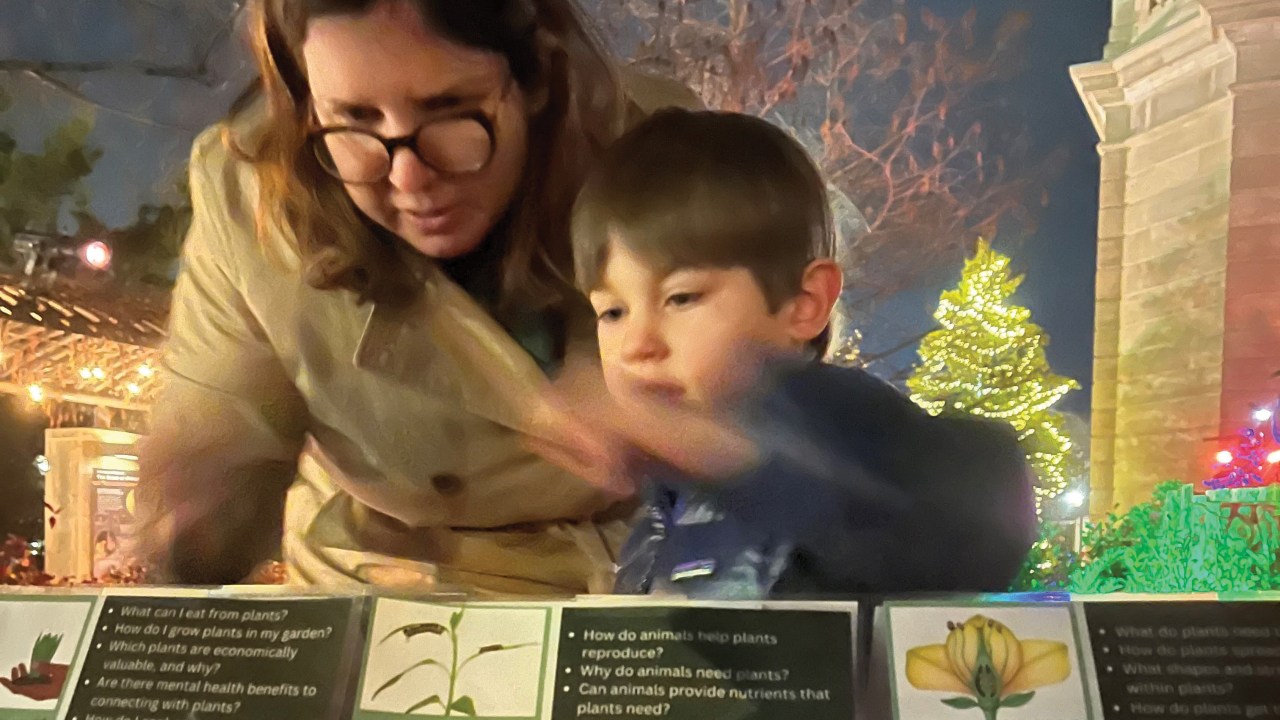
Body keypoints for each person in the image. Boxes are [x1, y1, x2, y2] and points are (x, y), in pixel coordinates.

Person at [138, 0, 700, 594]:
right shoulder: (249, 194)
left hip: (629, 577)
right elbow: (220, 438)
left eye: (451, 112)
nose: (408, 180)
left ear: (536, 75)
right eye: (353, 119)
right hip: (377, 579)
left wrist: (680, 415)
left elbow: (772, 397)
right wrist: (192, 514)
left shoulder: (661, 151)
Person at [566, 109, 1039, 599]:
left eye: (681, 298)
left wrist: (731, 455)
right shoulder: (666, 503)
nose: (638, 346)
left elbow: (962, 529)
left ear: (804, 303)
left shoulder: (850, 437)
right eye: (612, 312)